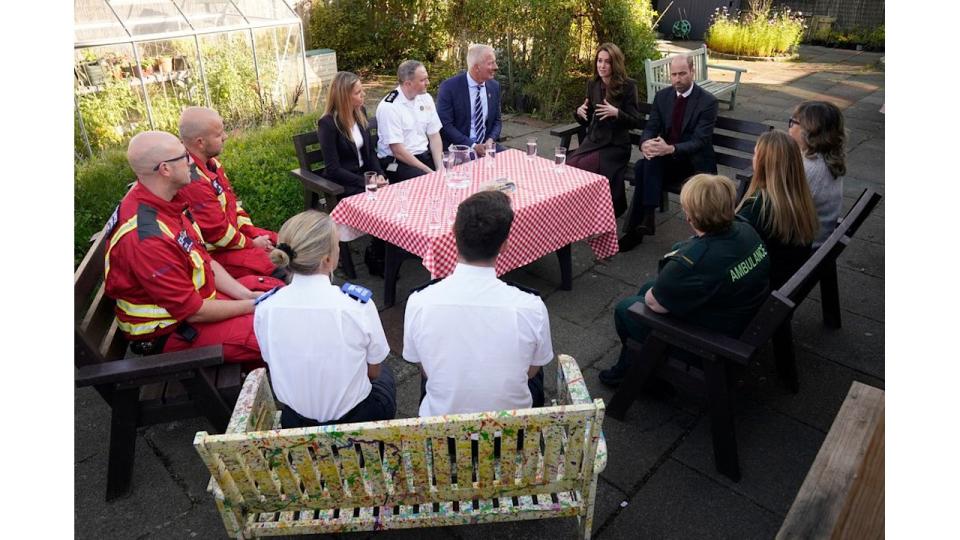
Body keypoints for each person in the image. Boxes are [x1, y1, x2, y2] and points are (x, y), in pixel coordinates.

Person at [104, 131, 284, 364]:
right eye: (183, 156)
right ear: (165, 169)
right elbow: (194, 311)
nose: (190, 161)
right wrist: (252, 305)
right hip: (170, 331)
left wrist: (246, 295)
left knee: (277, 297)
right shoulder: (147, 238)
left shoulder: (164, 202)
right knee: (276, 335)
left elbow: (204, 259)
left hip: (194, 305)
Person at [601, 174, 770, 386]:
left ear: (691, 216)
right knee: (646, 287)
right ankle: (632, 359)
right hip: (741, 313)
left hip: (714, 341)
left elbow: (655, 303)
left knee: (626, 309)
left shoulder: (693, 261)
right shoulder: (746, 229)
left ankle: (638, 371)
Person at [403, 191, 554, 416]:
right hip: (511, 434)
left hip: (443, 434)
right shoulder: (530, 306)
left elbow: (425, 368)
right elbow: (532, 370)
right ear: (504, 246)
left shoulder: (419, 302)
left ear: (453, 234)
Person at [253, 210, 396, 428]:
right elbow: (373, 371)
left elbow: (273, 360)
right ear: (328, 259)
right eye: (337, 245)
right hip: (359, 419)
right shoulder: (356, 306)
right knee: (384, 372)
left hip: (297, 423)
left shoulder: (265, 308)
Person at [620, 54, 719, 251]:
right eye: (673, 74)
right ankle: (646, 219)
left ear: (692, 72)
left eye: (682, 74)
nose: (677, 79)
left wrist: (671, 148)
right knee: (647, 162)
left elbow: (700, 141)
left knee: (642, 168)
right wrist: (645, 144)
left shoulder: (708, 102)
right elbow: (651, 127)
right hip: (666, 160)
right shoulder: (663, 97)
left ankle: (639, 226)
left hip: (693, 164)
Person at [178, 106, 281, 279]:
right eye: (218, 134)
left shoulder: (211, 163)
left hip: (232, 240)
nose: (225, 137)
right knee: (276, 265)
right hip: (216, 253)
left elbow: (231, 204)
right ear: (200, 142)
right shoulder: (194, 182)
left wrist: (251, 232)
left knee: (284, 242)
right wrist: (253, 244)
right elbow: (218, 234)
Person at [736, 130, 819, 288]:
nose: (752, 159)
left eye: (755, 154)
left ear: (763, 162)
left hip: (760, 289)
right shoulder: (798, 197)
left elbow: (735, 255)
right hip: (783, 281)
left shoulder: (757, 208)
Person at [567, 42, 641, 217]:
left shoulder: (628, 86)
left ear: (614, 64)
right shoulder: (593, 84)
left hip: (616, 146)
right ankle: (581, 209)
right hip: (594, 141)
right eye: (599, 61)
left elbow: (636, 121)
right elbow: (586, 118)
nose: (602, 65)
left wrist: (616, 113)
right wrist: (579, 112)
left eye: (607, 62)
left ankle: (603, 211)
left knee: (586, 166)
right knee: (570, 165)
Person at [317, 71, 387, 196]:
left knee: (388, 193)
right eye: (358, 92)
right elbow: (333, 169)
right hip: (342, 184)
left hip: (364, 176)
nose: (363, 94)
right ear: (344, 97)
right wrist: (367, 181)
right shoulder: (327, 124)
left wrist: (379, 174)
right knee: (378, 197)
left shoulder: (360, 113)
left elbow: (370, 151)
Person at [787, 100, 847, 247]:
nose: (789, 127)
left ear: (809, 130)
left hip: (802, 247)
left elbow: (780, 212)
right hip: (820, 240)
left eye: (793, 122)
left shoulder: (809, 168)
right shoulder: (825, 159)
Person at [375, 60, 444, 183]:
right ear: (408, 84)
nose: (428, 83)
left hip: (423, 156)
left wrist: (439, 167)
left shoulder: (426, 98)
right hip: (398, 162)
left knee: (450, 173)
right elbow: (398, 151)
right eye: (422, 80)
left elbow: (434, 136)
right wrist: (428, 172)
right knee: (428, 182)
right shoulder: (389, 107)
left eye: (426, 78)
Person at [436, 43, 502, 156]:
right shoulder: (449, 87)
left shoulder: (494, 86)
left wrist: (490, 140)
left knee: (516, 162)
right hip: (460, 148)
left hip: (487, 146)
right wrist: (473, 146)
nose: (496, 67)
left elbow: (497, 121)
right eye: (491, 63)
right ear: (477, 67)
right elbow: (445, 125)